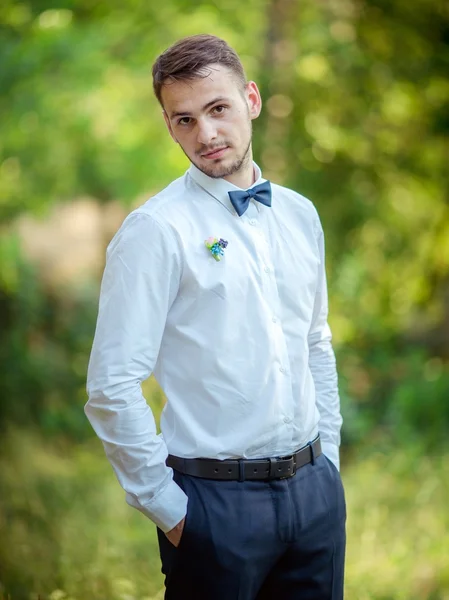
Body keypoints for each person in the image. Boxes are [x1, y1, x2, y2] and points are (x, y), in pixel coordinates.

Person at [85, 34, 346, 600]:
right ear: (169, 125)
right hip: (213, 507)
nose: (205, 134)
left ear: (250, 99)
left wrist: (330, 461)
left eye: (218, 108)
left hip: (315, 494)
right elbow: (112, 384)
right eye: (184, 119)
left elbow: (315, 344)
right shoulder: (155, 231)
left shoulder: (300, 215)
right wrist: (171, 511)